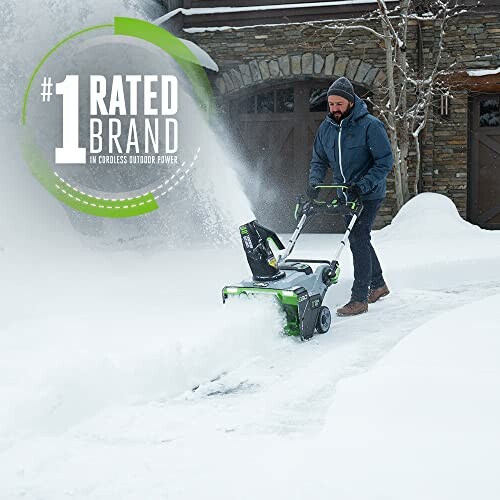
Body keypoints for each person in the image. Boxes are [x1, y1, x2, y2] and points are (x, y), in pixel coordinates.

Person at [308, 77, 393, 316]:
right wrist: (314, 184)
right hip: (344, 194)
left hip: (369, 193)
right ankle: (378, 284)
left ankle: (359, 298)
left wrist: (363, 185)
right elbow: (319, 160)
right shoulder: (326, 128)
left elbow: (384, 162)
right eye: (331, 104)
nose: (334, 108)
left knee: (357, 238)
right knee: (360, 239)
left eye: (339, 104)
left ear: (351, 102)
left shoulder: (369, 125)